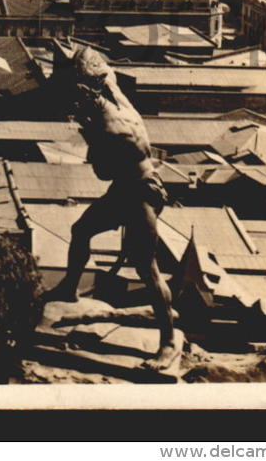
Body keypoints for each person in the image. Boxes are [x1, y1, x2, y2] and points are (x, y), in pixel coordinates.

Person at [42, 41, 179, 371]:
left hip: (139, 192)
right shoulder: (120, 103)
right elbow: (106, 76)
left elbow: (102, 172)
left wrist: (88, 135)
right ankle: (70, 288)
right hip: (131, 185)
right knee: (82, 230)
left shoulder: (105, 128)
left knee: (147, 268)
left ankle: (168, 342)